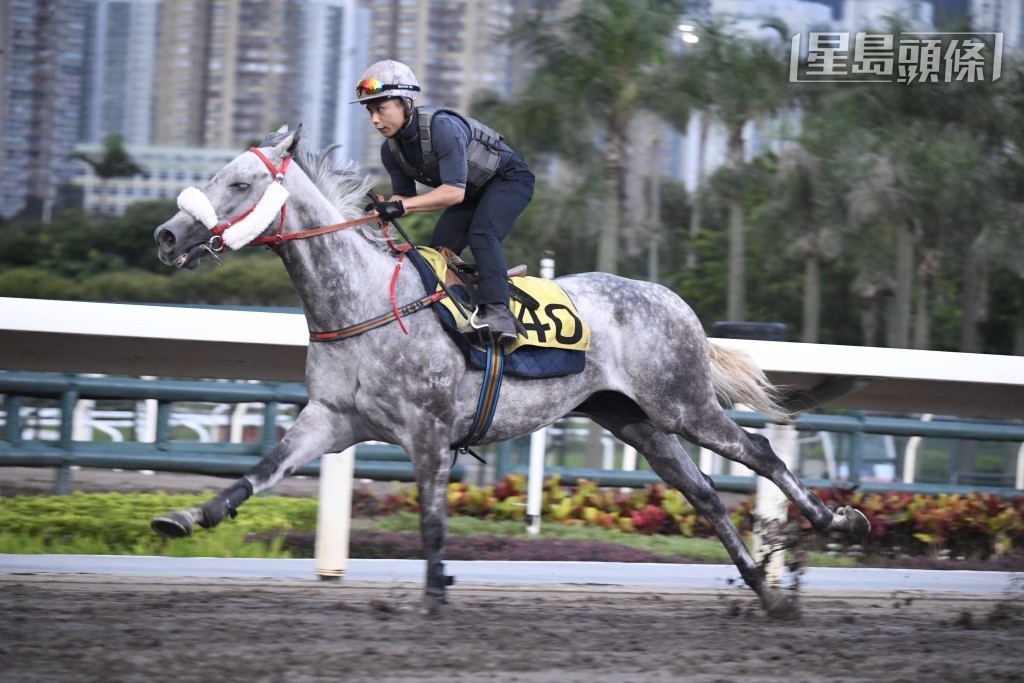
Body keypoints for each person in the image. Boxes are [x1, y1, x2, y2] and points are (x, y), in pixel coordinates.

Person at [353, 59, 535, 344]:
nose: (375, 119)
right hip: (473, 191)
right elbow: (405, 199)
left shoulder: (442, 128)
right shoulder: (391, 150)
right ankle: (459, 308)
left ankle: (499, 313)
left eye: (381, 109)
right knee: (437, 253)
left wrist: (399, 207)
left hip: (509, 180)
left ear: (406, 103)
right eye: (370, 111)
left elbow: (453, 193)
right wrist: (383, 208)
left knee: (482, 232)